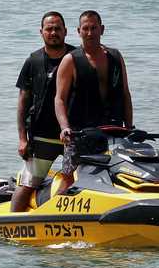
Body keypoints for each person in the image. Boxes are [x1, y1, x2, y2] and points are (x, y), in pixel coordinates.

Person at [53, 10, 134, 190]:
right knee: (68, 177)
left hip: (113, 129)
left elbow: (125, 93)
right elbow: (59, 99)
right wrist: (64, 127)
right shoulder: (70, 60)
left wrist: (129, 127)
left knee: (118, 174)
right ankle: (54, 212)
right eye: (86, 28)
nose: (90, 33)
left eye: (94, 28)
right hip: (79, 132)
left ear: (102, 29)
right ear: (78, 31)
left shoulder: (115, 57)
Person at [11, 11, 75, 212]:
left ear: (65, 31)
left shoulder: (77, 58)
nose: (53, 32)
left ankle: (56, 218)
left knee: (72, 183)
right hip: (40, 136)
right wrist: (22, 139)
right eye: (49, 28)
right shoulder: (33, 60)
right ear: (41, 32)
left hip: (72, 136)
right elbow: (23, 101)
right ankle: (12, 224)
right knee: (27, 184)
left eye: (57, 28)